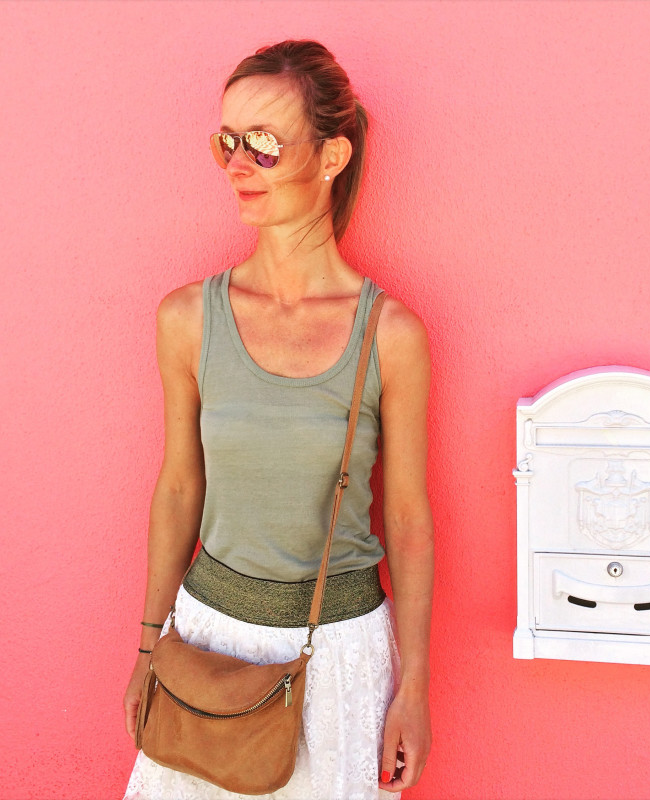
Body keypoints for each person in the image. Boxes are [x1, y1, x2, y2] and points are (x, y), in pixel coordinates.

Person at [122, 39, 434, 800]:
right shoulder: (188, 318)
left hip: (338, 658)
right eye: (226, 141)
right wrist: (148, 648)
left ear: (332, 157)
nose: (237, 164)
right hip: (207, 645)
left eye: (263, 142)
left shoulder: (389, 334)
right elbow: (178, 489)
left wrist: (415, 687)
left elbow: (407, 518)